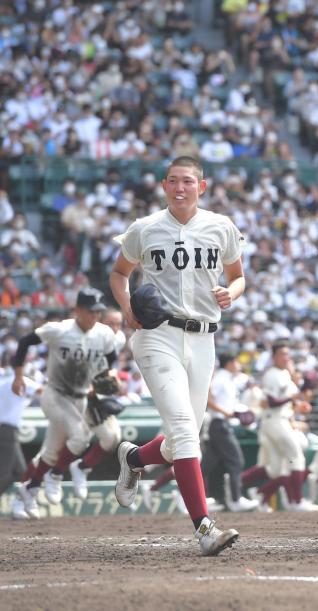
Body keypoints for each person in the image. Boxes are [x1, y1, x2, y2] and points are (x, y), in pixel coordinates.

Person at [110, 156, 246, 556]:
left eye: (188, 181)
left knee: (178, 442)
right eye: (173, 181)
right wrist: (126, 309)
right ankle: (204, 526)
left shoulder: (221, 227)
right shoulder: (145, 228)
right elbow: (119, 273)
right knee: (186, 431)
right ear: (164, 186)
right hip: (157, 336)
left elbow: (238, 277)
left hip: (204, 338)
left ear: (201, 187)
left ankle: (134, 457)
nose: (180, 187)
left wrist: (231, 293)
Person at [11, 288, 121, 519]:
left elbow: (111, 358)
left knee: (50, 454)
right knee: (81, 436)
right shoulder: (59, 330)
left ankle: (28, 489)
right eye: (91, 311)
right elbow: (24, 343)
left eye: (98, 312)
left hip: (81, 398)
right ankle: (57, 475)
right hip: (55, 395)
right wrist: (19, 376)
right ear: (78, 310)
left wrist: (110, 374)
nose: (95, 316)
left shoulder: (103, 334)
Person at [69, 307, 128, 501]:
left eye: (118, 324)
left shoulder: (118, 338)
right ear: (101, 321)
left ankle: (81, 467)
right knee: (76, 441)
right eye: (111, 323)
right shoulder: (90, 337)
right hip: (79, 393)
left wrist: (114, 381)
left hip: (96, 393)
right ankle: (47, 476)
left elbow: (110, 367)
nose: (115, 327)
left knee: (113, 438)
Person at [259, 342, 318, 512]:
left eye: (287, 354)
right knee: (297, 457)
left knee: (278, 469)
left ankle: (260, 494)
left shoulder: (285, 374)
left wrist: (299, 405)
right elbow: (271, 401)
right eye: (282, 354)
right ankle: (297, 501)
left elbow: (288, 400)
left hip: (282, 419)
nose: (286, 357)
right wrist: (295, 396)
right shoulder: (272, 374)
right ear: (274, 357)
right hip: (275, 420)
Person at [204, 352, 259, 512]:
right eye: (236, 361)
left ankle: (185, 495)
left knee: (207, 465)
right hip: (220, 424)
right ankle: (235, 499)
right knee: (236, 461)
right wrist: (224, 412)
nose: (238, 365)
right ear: (230, 362)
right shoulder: (222, 377)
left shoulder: (227, 378)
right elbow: (208, 397)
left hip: (221, 424)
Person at [2, 365, 41, 519]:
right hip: (7, 430)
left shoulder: (3, 381)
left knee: (20, 470)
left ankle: (16, 507)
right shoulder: (22, 380)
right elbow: (42, 392)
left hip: (8, 430)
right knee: (4, 473)